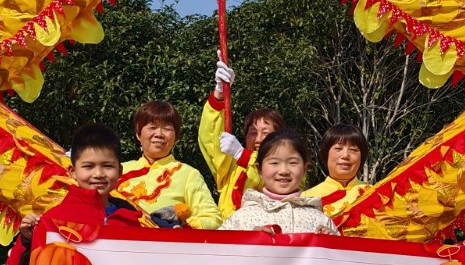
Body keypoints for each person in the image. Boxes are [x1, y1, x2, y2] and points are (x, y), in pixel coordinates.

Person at [8, 124, 148, 265]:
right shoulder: (55, 218)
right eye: (88, 166)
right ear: (73, 172)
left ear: (120, 171)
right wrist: (28, 239)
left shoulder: (130, 217)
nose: (98, 174)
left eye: (107, 166)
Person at [199, 57, 284, 218]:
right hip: (231, 239)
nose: (258, 139)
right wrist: (219, 93)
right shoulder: (230, 167)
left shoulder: (290, 167)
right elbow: (210, 139)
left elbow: (269, 178)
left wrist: (242, 155)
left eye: (266, 133)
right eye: (253, 133)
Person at [118, 101, 220, 229]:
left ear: (176, 136)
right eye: (152, 127)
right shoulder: (117, 170)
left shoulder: (188, 174)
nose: (159, 134)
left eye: (167, 128)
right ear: (138, 133)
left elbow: (213, 219)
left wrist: (184, 227)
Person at [217, 130, 340, 236]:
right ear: (259, 170)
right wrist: (248, 240)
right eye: (274, 163)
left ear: (304, 169)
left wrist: (333, 243)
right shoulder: (241, 218)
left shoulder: (321, 220)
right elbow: (217, 256)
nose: (284, 171)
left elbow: (341, 261)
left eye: (293, 163)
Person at [305, 122, 373, 219]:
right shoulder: (307, 198)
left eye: (353, 150)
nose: (345, 155)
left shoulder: (375, 194)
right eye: (338, 148)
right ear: (326, 153)